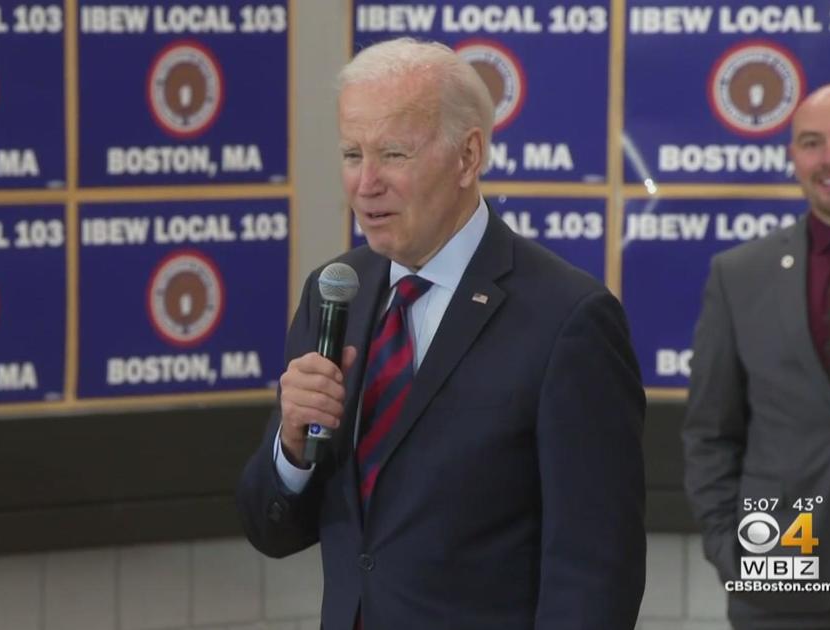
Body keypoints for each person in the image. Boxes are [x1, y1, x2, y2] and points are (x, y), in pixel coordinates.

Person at [236, 37, 646, 629]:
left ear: (467, 156)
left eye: (394, 154)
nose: (366, 183)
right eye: (353, 154)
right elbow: (270, 530)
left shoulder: (569, 320)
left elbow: (595, 572)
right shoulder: (334, 292)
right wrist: (292, 449)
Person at [684, 83, 830, 629]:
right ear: (794, 158)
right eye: (812, 143)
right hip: (778, 583)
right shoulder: (739, 276)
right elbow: (710, 434)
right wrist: (732, 552)